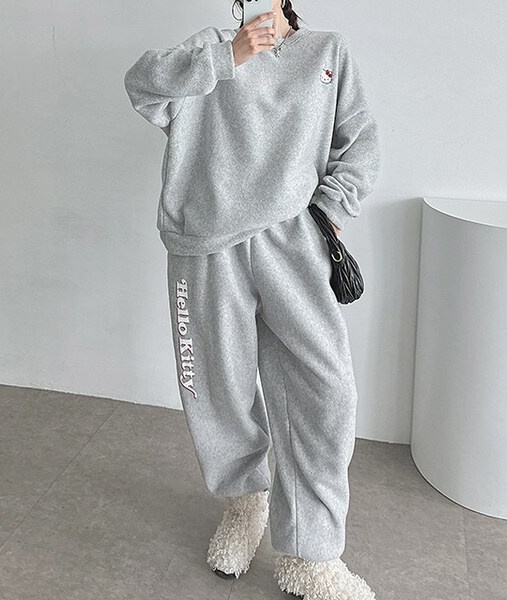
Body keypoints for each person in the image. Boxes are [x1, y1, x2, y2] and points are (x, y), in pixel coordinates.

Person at [124, 1, 381, 598]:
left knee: (327, 390)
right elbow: (142, 85)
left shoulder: (327, 52)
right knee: (217, 388)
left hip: (293, 243)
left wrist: (327, 212)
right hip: (204, 244)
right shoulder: (208, 47)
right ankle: (244, 505)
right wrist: (229, 56)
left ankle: (310, 554)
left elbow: (360, 144)